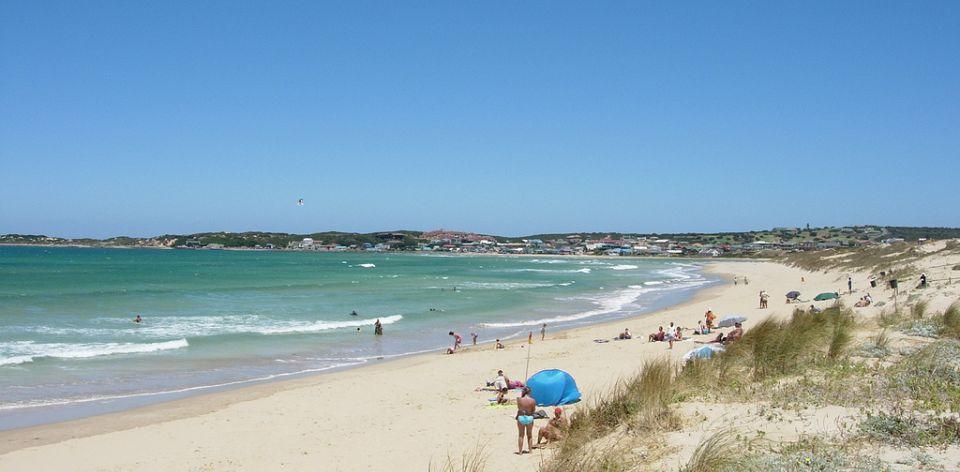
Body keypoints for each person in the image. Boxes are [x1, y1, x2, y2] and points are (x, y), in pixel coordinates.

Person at [515, 387, 537, 454]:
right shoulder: (533, 400)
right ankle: (530, 450)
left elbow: (519, 409)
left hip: (521, 417)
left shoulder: (519, 399)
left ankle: (520, 451)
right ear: (529, 392)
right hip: (529, 417)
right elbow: (533, 411)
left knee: (521, 435)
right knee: (529, 435)